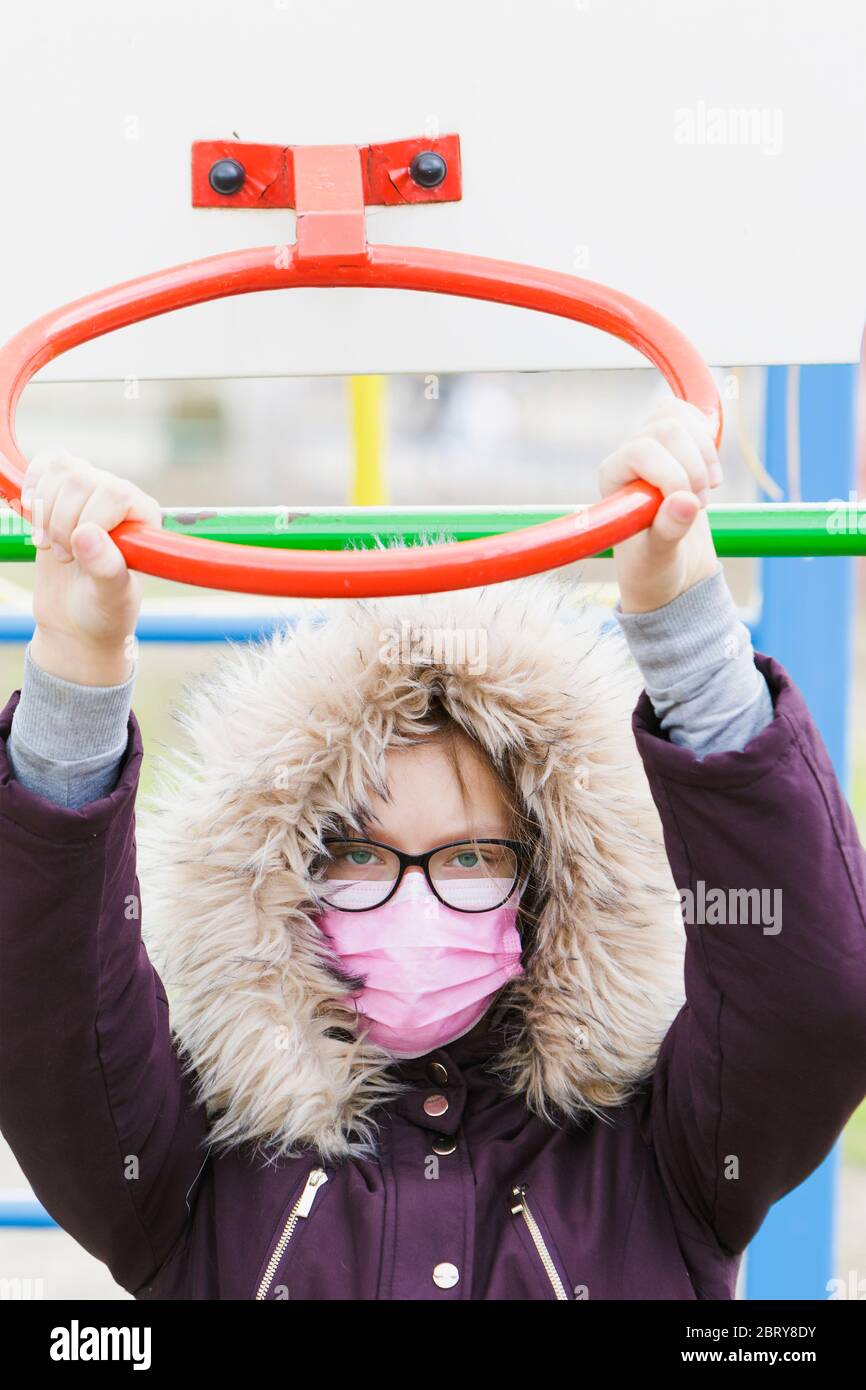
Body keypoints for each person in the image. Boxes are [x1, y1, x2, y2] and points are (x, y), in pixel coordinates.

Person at [1, 400, 864, 1300]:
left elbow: (809, 999)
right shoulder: (185, 1163)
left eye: (468, 859)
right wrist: (74, 661)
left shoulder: (662, 1150)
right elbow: (52, 1026)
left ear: (549, 879)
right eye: (361, 857)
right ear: (287, 878)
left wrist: (682, 627)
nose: (416, 902)